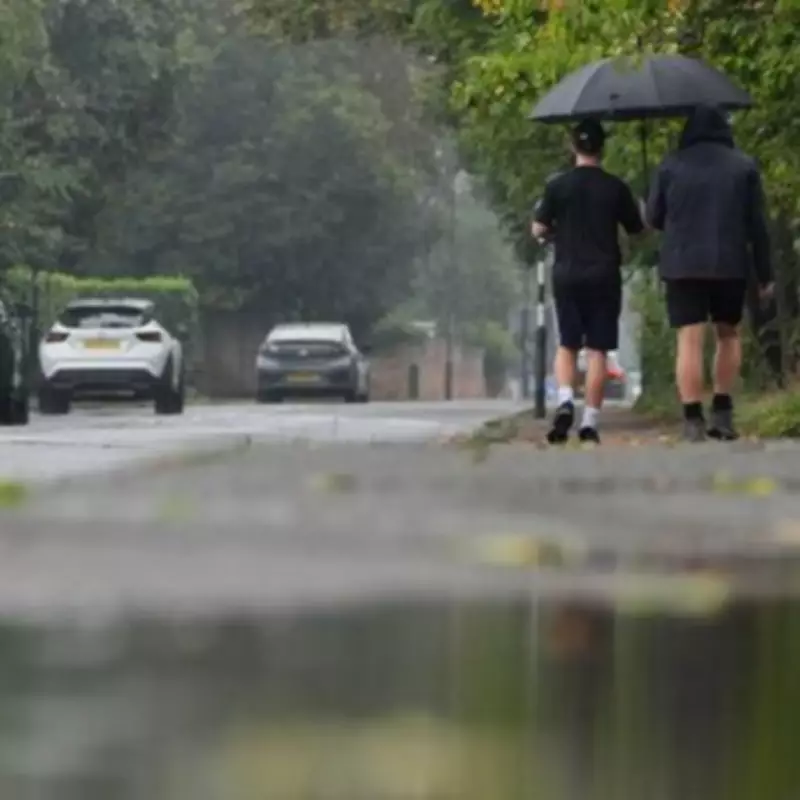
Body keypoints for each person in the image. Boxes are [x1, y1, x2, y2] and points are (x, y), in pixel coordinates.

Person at [646, 104, 773, 442]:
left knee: (689, 338)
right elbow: (757, 224)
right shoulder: (743, 166)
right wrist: (765, 273)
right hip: (729, 263)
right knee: (728, 334)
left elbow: (655, 217)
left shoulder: (671, 165)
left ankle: (692, 419)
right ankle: (723, 412)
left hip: (683, 264)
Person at [532, 119, 645, 444]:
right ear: (602, 148)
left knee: (567, 345)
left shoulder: (557, 186)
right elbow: (637, 230)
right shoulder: (615, 187)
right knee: (598, 350)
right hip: (604, 275)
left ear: (573, 147)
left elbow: (539, 228)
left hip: (567, 273)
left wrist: (549, 231)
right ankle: (589, 424)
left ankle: (565, 399)